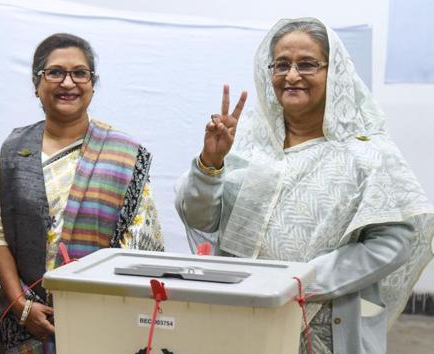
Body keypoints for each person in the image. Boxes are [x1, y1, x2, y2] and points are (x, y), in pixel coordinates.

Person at [175, 18, 434, 354]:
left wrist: (303, 280)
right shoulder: (247, 139)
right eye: (281, 65)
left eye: (307, 64)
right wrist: (211, 164)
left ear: (334, 72)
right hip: (239, 316)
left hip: (321, 328)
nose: (292, 75)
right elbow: (201, 220)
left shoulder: (365, 151)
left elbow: (394, 242)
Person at [0, 33, 164, 353]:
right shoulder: (14, 150)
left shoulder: (123, 156)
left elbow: (140, 248)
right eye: (55, 72)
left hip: (101, 323)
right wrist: (21, 305)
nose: (68, 83)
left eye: (80, 73)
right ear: (36, 84)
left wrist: (93, 309)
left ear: (93, 84)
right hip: (23, 323)